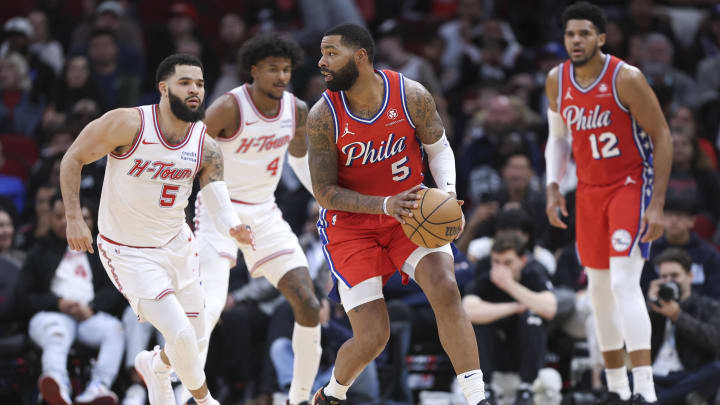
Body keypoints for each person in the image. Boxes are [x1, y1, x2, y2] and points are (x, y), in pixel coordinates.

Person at [306, 23, 488, 405]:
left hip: (412, 211)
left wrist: (449, 194)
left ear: (360, 57)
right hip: (351, 226)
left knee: (446, 287)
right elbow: (324, 193)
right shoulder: (323, 115)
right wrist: (383, 204)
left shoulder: (410, 95)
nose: (321, 62)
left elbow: (438, 148)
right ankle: (332, 394)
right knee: (373, 336)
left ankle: (476, 398)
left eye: (330, 53)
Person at [59, 53, 254, 405]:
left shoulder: (204, 145)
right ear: (163, 88)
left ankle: (156, 366)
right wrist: (74, 217)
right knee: (179, 334)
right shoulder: (128, 124)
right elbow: (73, 157)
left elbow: (215, 192)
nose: (195, 90)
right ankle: (205, 400)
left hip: (178, 245)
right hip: (129, 252)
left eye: (199, 83)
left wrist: (233, 227)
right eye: (185, 82)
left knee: (194, 339)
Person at [544, 2, 673, 404]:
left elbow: (663, 136)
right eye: (570, 34)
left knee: (622, 281)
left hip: (629, 185)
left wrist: (657, 205)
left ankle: (646, 391)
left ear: (601, 38)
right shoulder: (556, 80)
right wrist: (552, 185)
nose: (576, 40)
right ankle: (618, 390)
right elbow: (559, 138)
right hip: (588, 190)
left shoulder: (626, 78)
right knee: (598, 290)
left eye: (584, 33)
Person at [193, 33, 322, 405]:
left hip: (264, 212)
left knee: (308, 304)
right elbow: (193, 158)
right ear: (253, 70)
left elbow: (299, 159)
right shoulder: (228, 108)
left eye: (286, 69)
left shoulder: (296, 109)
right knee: (210, 308)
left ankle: (298, 398)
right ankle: (179, 385)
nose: (282, 76)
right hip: (219, 209)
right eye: (273, 69)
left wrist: (325, 198)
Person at [17, 194, 126, 405]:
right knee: (57, 332)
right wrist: (57, 303)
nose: (66, 222)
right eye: (60, 216)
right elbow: (23, 297)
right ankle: (58, 385)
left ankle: (98, 388)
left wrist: (92, 308)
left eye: (71, 217)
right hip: (52, 316)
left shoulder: (100, 251)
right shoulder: (39, 251)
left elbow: (115, 290)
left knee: (115, 330)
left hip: (88, 317)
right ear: (50, 218)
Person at [462, 233, 557, 405]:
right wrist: (515, 307)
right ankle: (485, 387)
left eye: (508, 263)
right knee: (478, 323)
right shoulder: (485, 279)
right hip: (493, 353)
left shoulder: (533, 275)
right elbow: (467, 310)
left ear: (523, 261)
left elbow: (550, 308)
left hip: (522, 353)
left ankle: (527, 387)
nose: (500, 269)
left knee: (533, 318)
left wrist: (509, 285)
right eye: (496, 262)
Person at [647, 248, 720, 405]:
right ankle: (671, 399)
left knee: (717, 369)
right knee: (611, 374)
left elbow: (715, 341)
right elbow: (628, 344)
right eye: (664, 277)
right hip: (654, 376)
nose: (669, 281)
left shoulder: (708, 306)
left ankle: (655, 402)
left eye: (674, 276)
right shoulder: (653, 307)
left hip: (687, 376)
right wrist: (651, 307)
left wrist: (678, 316)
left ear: (690, 276)